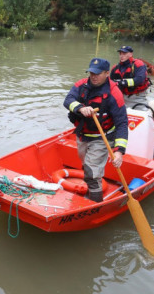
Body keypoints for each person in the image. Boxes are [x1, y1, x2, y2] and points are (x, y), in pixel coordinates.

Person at [63, 58, 128, 203]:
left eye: (98, 73)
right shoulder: (81, 85)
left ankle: (95, 203)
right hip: (82, 135)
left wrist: (119, 151)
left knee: (92, 173)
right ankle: (91, 185)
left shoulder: (114, 93)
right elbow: (67, 100)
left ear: (106, 73)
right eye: (91, 72)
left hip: (101, 137)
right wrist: (80, 107)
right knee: (87, 166)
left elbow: (122, 123)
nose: (93, 76)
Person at [110, 45, 154, 161]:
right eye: (120, 53)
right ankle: (114, 146)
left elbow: (139, 80)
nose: (122, 55)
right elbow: (110, 83)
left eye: (124, 53)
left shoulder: (138, 65)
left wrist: (122, 82)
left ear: (131, 54)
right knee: (115, 121)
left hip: (138, 98)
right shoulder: (115, 68)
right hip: (122, 97)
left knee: (148, 121)